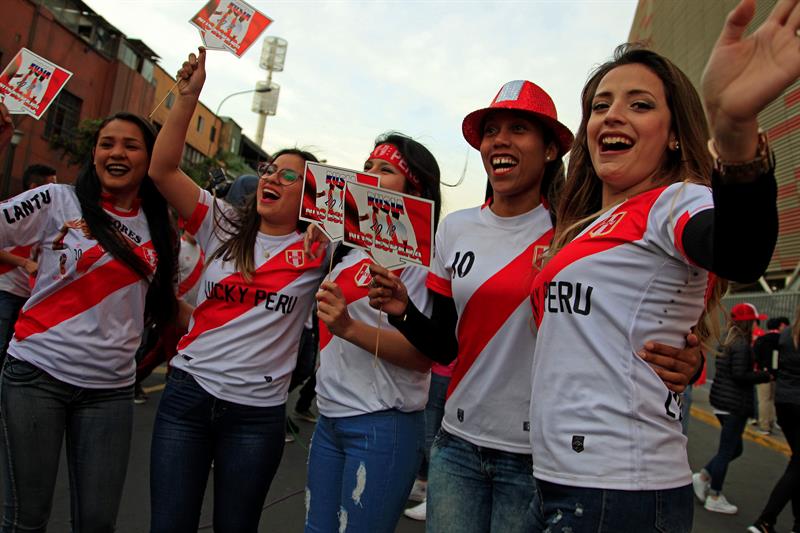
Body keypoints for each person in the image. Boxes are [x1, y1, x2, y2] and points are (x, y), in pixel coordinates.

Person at [368, 81, 700, 533]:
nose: (500, 141)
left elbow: (636, 316)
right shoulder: (455, 229)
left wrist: (690, 358)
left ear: (549, 150)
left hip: (538, 459)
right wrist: (402, 310)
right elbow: (446, 348)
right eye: (491, 131)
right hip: (457, 447)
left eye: (518, 129)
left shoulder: (576, 235)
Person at [528, 0, 788, 529]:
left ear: (674, 134)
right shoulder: (579, 228)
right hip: (557, 476)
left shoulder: (675, 202)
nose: (612, 115)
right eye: (600, 105)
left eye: (639, 104)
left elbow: (740, 252)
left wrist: (735, 130)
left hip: (619, 489)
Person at [146, 48, 327, 533]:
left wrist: (334, 228)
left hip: (255, 418)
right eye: (269, 169)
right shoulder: (222, 221)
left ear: (308, 197)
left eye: (288, 176)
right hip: (186, 395)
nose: (271, 177)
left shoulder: (320, 251)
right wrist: (188, 97)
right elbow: (162, 170)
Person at [0, 103, 177, 532]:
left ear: (150, 158)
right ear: (94, 154)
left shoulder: (160, 226)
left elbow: (167, 304)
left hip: (110, 392)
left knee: (97, 524)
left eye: (131, 146)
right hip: (35, 377)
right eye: (106, 144)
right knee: (27, 520)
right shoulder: (57, 200)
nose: (116, 153)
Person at [303, 132, 442, 533]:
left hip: (381, 424)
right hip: (330, 417)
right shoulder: (349, 251)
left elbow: (421, 356)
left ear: (415, 188)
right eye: (367, 167)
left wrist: (347, 327)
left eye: (386, 170)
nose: (370, 176)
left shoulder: (422, 258)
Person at [694, 304, 773, 514]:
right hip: (734, 404)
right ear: (748, 322)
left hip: (722, 402)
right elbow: (740, 375)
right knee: (727, 450)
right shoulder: (741, 345)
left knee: (734, 448)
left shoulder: (728, 339)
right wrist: (766, 376)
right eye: (755, 320)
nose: (757, 323)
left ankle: (703, 477)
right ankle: (714, 495)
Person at [748, 306, 800, 533]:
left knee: (798, 462)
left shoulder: (787, 334)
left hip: (785, 402)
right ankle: (765, 521)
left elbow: (768, 353)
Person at [0, 164, 57, 363]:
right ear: (35, 186)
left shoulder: (51, 216)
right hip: (5, 291)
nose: (56, 191)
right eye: (51, 185)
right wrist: (24, 262)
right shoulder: (15, 213)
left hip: (27, 296)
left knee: (13, 351)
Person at [753, 315, 790, 434]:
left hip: (762, 374)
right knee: (773, 400)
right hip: (779, 375)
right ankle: (772, 422)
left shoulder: (762, 339)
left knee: (764, 400)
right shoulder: (783, 340)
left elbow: (755, 356)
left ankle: (764, 426)